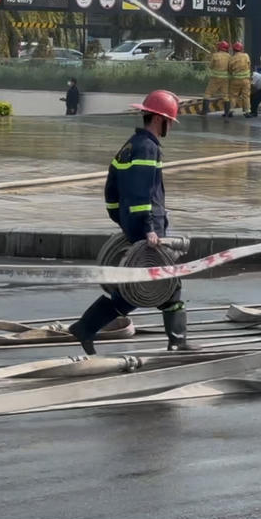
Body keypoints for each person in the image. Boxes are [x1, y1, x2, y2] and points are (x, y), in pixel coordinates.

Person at [68, 90, 193, 354]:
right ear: (161, 120)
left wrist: (122, 220)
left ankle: (87, 327)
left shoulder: (129, 146)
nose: (170, 125)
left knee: (159, 287)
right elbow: (141, 193)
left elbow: (111, 189)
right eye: (170, 120)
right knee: (158, 284)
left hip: (134, 225)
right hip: (148, 228)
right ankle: (176, 342)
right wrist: (147, 228)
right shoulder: (148, 148)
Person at [227, 41, 251, 118]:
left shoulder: (231, 58)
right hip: (245, 80)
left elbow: (229, 70)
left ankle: (231, 110)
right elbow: (249, 65)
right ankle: (247, 112)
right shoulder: (246, 56)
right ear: (241, 49)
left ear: (234, 50)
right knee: (246, 96)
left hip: (235, 80)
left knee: (233, 96)